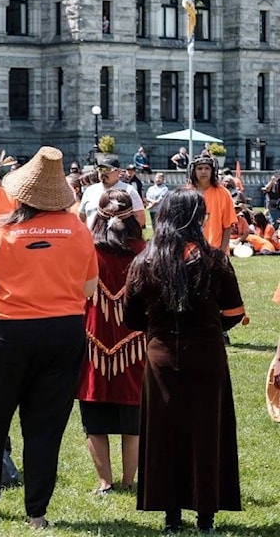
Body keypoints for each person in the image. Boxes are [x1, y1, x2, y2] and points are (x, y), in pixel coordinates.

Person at [0, 146, 97, 528]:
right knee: (45, 427)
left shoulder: (2, 229)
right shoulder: (77, 230)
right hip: (63, 333)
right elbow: (90, 286)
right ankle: (37, 513)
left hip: (8, 332)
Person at [124, 188, 244, 533]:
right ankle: (205, 515)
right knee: (208, 432)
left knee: (165, 433)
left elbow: (131, 318)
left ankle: (171, 516)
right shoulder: (215, 260)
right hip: (206, 354)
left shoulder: (145, 261)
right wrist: (208, 326)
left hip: (161, 355)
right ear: (196, 218)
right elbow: (234, 313)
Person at [77, 190, 146, 496]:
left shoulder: (86, 252)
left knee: (95, 417)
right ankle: (130, 481)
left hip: (94, 343)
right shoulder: (145, 253)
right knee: (133, 417)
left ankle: (105, 482)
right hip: (135, 347)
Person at [184, 154, 236, 256]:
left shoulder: (223, 193)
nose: (203, 171)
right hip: (190, 253)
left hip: (215, 251)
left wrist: (221, 252)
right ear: (193, 171)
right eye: (199, 168)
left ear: (212, 171)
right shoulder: (185, 193)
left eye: (207, 168)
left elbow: (227, 226)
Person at [78, 155, 146, 228]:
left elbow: (140, 218)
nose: (103, 173)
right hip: (93, 237)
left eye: (107, 169)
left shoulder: (128, 190)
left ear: (118, 171)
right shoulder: (90, 190)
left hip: (119, 238)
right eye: (100, 169)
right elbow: (82, 216)